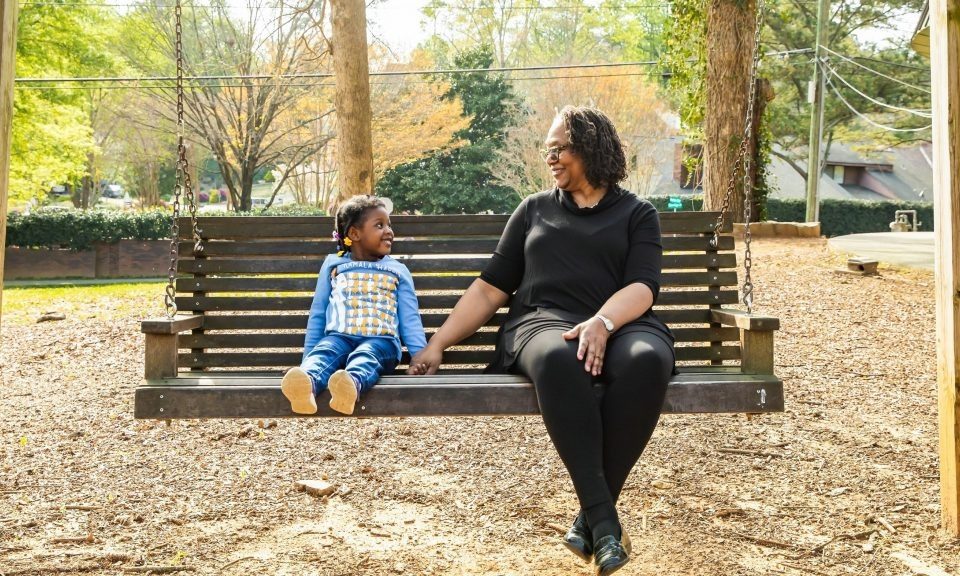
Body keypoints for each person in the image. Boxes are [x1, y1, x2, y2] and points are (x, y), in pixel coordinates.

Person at [410, 106, 675, 575]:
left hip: (620, 323)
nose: (550, 158)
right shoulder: (533, 209)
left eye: (559, 149)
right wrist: (438, 343)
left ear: (590, 149)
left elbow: (643, 286)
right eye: (547, 150)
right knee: (558, 357)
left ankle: (592, 517)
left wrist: (603, 322)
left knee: (648, 360)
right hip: (541, 322)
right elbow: (491, 287)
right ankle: (607, 526)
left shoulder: (638, 213)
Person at [281, 195, 427, 416]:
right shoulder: (334, 264)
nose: (389, 231)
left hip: (382, 342)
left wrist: (418, 357)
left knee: (368, 354)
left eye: (389, 225)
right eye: (380, 225)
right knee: (326, 351)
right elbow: (318, 314)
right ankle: (306, 385)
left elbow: (410, 319)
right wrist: (306, 361)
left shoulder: (397, 269)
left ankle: (351, 385)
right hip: (339, 337)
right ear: (354, 234)